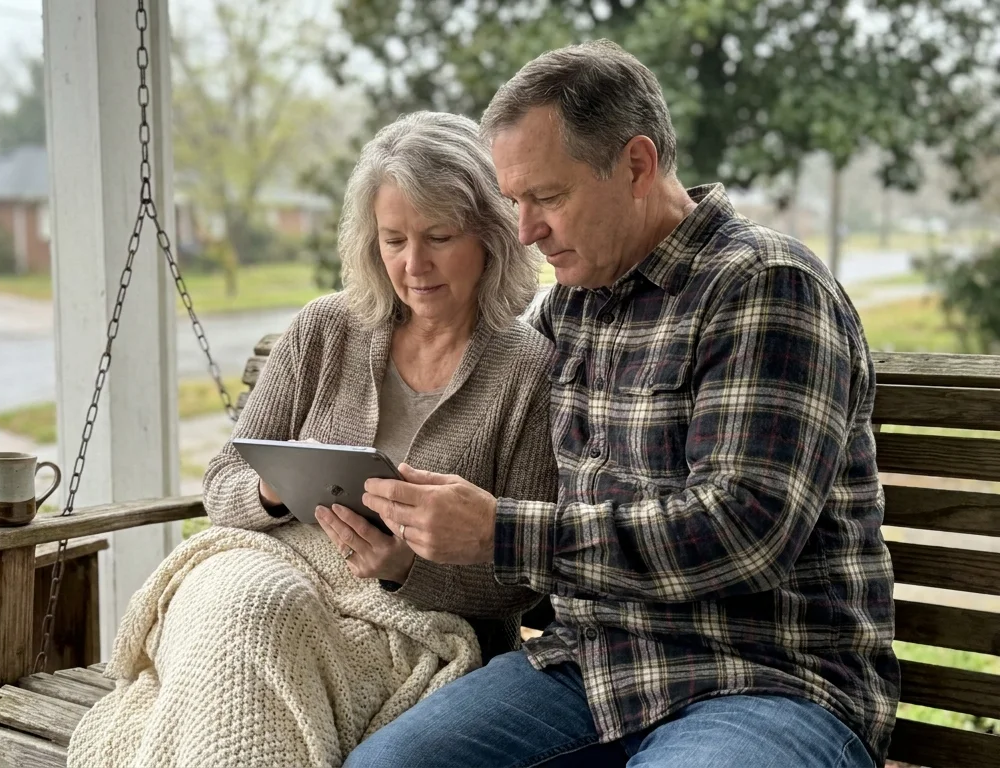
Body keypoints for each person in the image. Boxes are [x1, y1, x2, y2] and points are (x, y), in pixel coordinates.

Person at [349, 40, 898, 768]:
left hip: (765, 682)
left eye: (547, 197)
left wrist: (499, 531)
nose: (525, 230)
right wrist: (407, 545)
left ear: (637, 165)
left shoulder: (764, 286)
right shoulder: (568, 309)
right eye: (514, 202)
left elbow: (744, 533)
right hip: (593, 671)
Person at [66, 111, 558, 768]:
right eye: (393, 240)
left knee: (262, 624)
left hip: (412, 624)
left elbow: (523, 583)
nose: (414, 265)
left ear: (492, 235)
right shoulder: (325, 329)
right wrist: (272, 489)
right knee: (248, 602)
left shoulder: (528, 370)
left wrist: (405, 569)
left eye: (439, 236)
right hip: (269, 567)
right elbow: (221, 485)